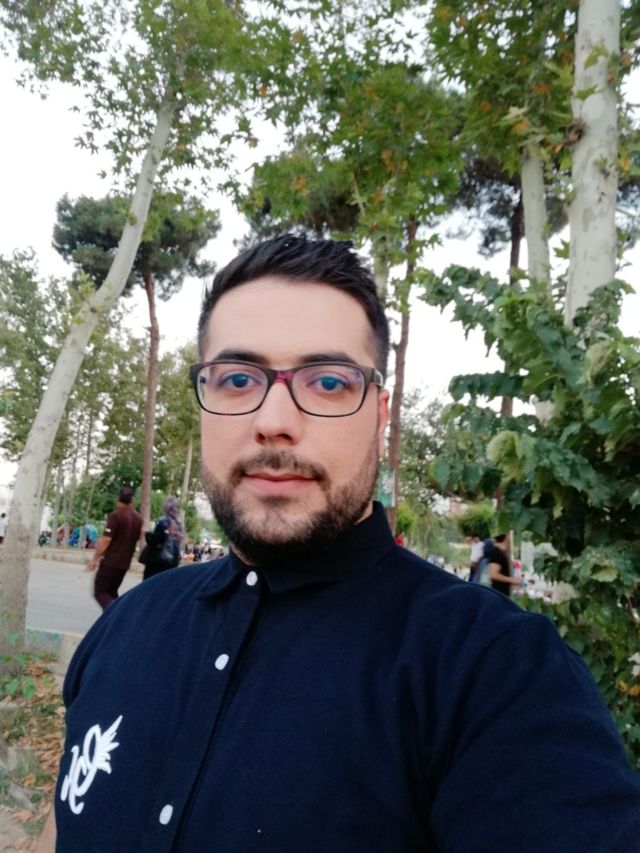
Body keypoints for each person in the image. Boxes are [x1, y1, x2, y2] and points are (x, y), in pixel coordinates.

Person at [40, 235, 640, 852]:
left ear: (380, 414)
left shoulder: (496, 673)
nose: (274, 421)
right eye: (238, 378)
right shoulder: (126, 625)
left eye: (328, 381)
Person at [86, 486, 143, 610]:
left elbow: (106, 540)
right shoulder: (138, 519)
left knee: (100, 592)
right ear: (132, 500)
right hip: (124, 564)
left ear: (118, 499)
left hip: (111, 562)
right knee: (111, 592)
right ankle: (116, 614)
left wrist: (95, 559)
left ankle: (116, 616)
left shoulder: (116, 516)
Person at [141, 496, 184, 581]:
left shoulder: (163, 522)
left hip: (159, 561)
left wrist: (147, 535)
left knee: (151, 583)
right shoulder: (180, 524)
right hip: (172, 561)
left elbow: (155, 541)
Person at [487, 532, 522, 597]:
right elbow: (493, 574)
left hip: (502, 594)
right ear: (506, 536)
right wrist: (512, 580)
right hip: (499, 595)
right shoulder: (496, 553)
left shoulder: (501, 552)